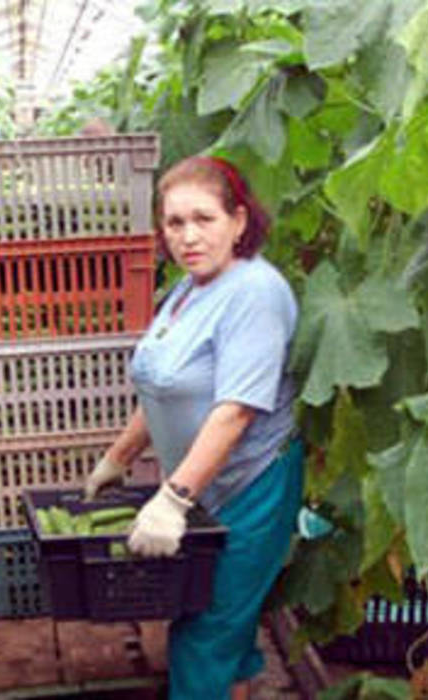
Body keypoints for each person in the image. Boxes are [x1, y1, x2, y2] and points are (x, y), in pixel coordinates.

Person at [84, 155, 303, 699]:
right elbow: (161, 384)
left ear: (239, 221)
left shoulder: (255, 292)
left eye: (204, 219)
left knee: (202, 632)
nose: (188, 236)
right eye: (175, 222)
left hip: (250, 486)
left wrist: (173, 499)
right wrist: (118, 457)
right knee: (224, 622)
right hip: (206, 488)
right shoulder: (188, 290)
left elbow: (235, 413)